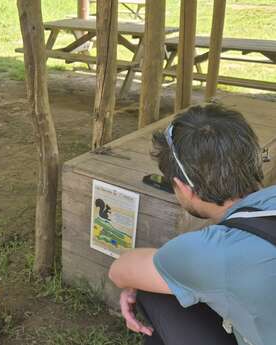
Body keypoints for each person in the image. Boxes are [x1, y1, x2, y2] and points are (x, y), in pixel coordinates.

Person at [108, 103, 276, 345]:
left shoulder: (214, 251)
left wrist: (143, 277)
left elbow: (120, 271)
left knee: (153, 289)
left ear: (185, 188)